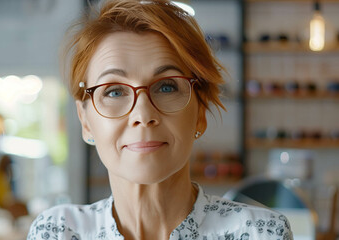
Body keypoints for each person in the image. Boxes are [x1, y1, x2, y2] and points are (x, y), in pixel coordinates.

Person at [28, 0, 293, 239]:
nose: (143, 115)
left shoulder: (260, 233)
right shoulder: (57, 232)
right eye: (115, 91)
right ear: (85, 121)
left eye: (166, 87)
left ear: (200, 113)